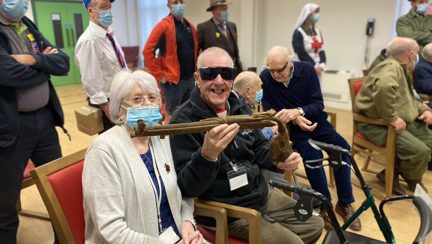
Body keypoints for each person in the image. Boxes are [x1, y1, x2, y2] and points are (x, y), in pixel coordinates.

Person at [170, 47, 323, 244]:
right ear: (197, 78)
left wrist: (279, 160)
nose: (219, 81)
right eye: (209, 74)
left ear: (232, 78)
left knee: (314, 224)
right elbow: (186, 188)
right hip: (228, 211)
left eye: (226, 73)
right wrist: (207, 157)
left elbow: (260, 148)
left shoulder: (239, 106)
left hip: (258, 193)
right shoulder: (183, 122)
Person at [83, 70, 203, 244]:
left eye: (152, 98)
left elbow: (183, 193)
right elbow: (111, 230)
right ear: (120, 109)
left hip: (178, 237)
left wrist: (187, 223)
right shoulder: (103, 151)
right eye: (137, 99)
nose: (147, 104)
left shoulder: (161, 138)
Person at [260, 45, 362, 231]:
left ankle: (345, 203)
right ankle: (325, 206)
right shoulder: (265, 77)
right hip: (292, 129)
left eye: (279, 70)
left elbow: (318, 104)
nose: (275, 74)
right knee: (312, 156)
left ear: (290, 63)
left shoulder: (306, 70)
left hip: (317, 123)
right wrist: (293, 118)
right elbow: (269, 109)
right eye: (271, 69)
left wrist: (298, 111)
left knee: (342, 150)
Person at [0, 0, 70, 242]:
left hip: (45, 122)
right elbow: (6, 72)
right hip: (10, 129)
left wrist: (30, 60)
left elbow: (63, 62)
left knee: (59, 189)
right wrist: (44, 64)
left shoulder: (26, 24)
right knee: (5, 203)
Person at [355, 37, 432, 192]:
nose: (417, 57)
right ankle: (411, 178)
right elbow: (383, 88)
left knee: (429, 141)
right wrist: (393, 118)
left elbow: (409, 98)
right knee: (419, 151)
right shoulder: (391, 68)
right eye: (416, 54)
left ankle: (393, 173)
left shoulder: (402, 68)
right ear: (411, 55)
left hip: (396, 120)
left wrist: (425, 110)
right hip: (376, 124)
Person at [75, 0, 125, 133]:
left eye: (109, 7)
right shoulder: (89, 41)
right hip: (107, 104)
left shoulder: (108, 35)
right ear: (91, 11)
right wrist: (109, 112)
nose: (108, 11)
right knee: (114, 144)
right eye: (103, 7)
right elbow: (91, 81)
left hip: (120, 97)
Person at [143, 0, 198, 119]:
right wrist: (159, 75)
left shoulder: (190, 26)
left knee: (188, 113)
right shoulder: (163, 26)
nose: (178, 4)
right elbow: (147, 51)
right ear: (168, 6)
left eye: (181, 1)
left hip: (190, 79)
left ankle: (185, 137)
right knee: (173, 116)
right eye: (174, 2)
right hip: (173, 82)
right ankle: (170, 138)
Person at [197, 0, 243, 74]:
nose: (225, 12)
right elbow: (196, 52)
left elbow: (235, 51)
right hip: (214, 73)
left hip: (233, 70)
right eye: (222, 9)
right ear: (213, 10)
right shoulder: (204, 28)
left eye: (226, 8)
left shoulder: (232, 26)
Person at [233, 71, 276, 139]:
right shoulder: (239, 112)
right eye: (260, 87)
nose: (261, 90)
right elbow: (253, 139)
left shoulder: (241, 105)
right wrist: (270, 130)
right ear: (247, 92)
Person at [292, 3, 326, 77]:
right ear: (308, 14)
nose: (318, 15)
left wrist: (322, 64)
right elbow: (301, 53)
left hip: (318, 70)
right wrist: (314, 66)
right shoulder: (298, 33)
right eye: (316, 12)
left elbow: (322, 50)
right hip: (304, 68)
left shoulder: (318, 31)